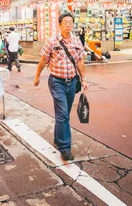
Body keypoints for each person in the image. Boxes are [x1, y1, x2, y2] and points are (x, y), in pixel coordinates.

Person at [34, 13, 89, 161]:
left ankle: (58, 139)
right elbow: (43, 60)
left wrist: (83, 79)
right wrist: (37, 76)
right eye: (65, 22)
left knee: (63, 114)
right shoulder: (52, 41)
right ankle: (65, 148)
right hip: (56, 82)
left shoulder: (77, 41)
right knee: (63, 114)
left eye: (71, 22)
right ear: (59, 24)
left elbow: (80, 62)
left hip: (72, 83)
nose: (69, 25)